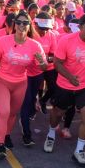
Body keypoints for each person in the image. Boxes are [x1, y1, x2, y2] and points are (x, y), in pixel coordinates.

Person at [43, 14, 85, 167]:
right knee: (57, 113)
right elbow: (58, 63)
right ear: (79, 27)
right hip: (65, 85)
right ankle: (51, 134)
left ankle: (79, 151)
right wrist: (70, 77)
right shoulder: (66, 40)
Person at [0, 12, 47, 159]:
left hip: (20, 83)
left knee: (13, 114)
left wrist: (41, 62)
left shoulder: (35, 45)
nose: (21, 25)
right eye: (18, 22)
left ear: (29, 26)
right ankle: (0, 145)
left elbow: (44, 68)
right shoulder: (3, 41)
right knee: (4, 112)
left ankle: (7, 135)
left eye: (25, 23)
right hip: (2, 81)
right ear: (14, 25)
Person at [19, 12, 58, 146]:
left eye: (47, 29)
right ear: (34, 25)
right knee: (26, 103)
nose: (44, 31)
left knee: (33, 102)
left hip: (39, 72)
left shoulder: (51, 36)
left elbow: (52, 56)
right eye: (42, 28)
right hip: (24, 75)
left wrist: (42, 60)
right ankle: (27, 134)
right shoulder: (26, 37)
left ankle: (38, 103)